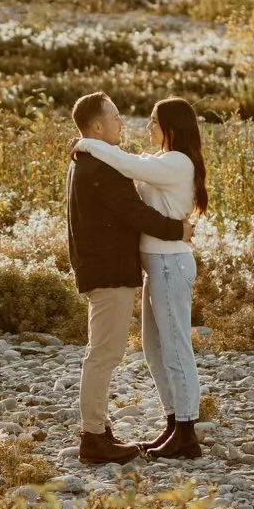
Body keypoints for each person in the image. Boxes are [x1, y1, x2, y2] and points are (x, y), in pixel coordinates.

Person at [72, 96, 209, 460]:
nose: (145, 127)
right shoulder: (160, 161)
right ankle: (172, 421)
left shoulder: (177, 162)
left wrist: (86, 143)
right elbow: (131, 164)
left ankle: (186, 431)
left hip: (169, 263)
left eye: (153, 121)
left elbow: (125, 163)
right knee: (154, 348)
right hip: (156, 266)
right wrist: (90, 144)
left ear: (172, 128)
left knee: (176, 347)